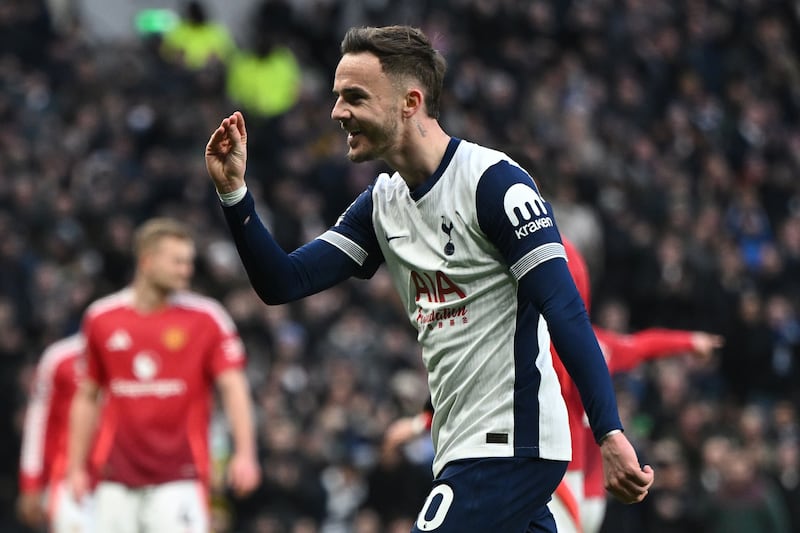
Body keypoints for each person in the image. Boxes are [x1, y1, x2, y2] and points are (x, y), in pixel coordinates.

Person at [205, 25, 653, 532]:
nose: (337, 112)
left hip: (510, 440)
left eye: (354, 97)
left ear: (409, 102)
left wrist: (610, 432)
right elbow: (283, 282)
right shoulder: (381, 205)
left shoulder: (493, 183)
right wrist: (234, 195)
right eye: (337, 97)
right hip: (459, 444)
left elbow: (565, 310)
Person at [384, 238, 723, 533]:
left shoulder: (529, 344)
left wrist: (418, 424)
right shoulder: (598, 346)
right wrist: (691, 341)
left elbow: (474, 385)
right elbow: (644, 345)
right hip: (588, 490)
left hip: (548, 474)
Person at [67, 217, 261, 533]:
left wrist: (245, 455)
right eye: (178, 262)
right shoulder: (102, 318)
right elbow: (87, 396)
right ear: (147, 261)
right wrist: (75, 467)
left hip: (180, 475)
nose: (187, 270)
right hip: (114, 476)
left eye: (189, 262)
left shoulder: (207, 318)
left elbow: (234, 387)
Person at [18, 333, 94, 533]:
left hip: (133, 478)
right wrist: (31, 481)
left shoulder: (145, 348)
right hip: (68, 481)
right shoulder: (61, 357)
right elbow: (38, 421)